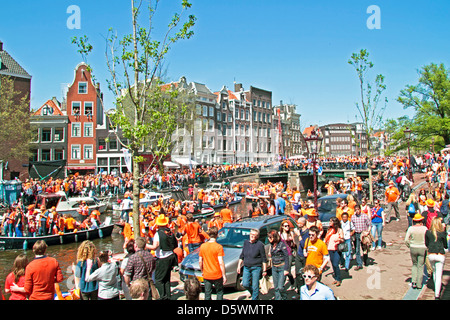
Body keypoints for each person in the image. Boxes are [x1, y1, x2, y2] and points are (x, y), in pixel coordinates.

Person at [146, 214, 178, 300]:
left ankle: (163, 297)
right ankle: (168, 296)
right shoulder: (170, 231)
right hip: (171, 256)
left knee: (158, 279)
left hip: (162, 258)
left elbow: (155, 246)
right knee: (167, 278)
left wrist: (145, 245)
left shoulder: (158, 234)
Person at [236, 228, 268, 300]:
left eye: (254, 235)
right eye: (251, 234)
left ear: (257, 236)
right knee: (245, 284)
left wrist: (264, 270)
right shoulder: (246, 243)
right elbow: (242, 255)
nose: (252, 236)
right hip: (246, 267)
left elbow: (264, 258)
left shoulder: (260, 245)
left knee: (255, 286)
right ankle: (254, 293)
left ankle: (255, 298)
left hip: (256, 268)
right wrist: (239, 266)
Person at [199, 226, 226, 300]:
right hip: (217, 274)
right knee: (219, 292)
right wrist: (224, 275)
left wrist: (202, 271)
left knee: (207, 293)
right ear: (217, 235)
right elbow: (221, 262)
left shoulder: (203, 246)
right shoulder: (219, 247)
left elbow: (200, 261)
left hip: (207, 273)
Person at [425, 217, 448, 299]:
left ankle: (436, 288)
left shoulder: (428, 232)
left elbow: (426, 244)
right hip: (440, 255)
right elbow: (445, 245)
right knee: (438, 274)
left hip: (431, 254)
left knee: (434, 272)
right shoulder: (442, 233)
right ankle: (437, 294)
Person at [404, 214, 428, 290]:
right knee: (420, 265)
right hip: (422, 247)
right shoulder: (424, 228)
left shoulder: (411, 228)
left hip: (413, 247)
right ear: (421, 221)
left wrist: (409, 245)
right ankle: (419, 283)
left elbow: (406, 240)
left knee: (414, 264)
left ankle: (413, 281)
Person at [268, 229, 290, 300]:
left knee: (280, 287)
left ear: (274, 237)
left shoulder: (281, 244)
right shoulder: (271, 245)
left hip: (281, 267)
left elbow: (286, 256)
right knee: (276, 287)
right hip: (274, 267)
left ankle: (284, 297)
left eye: (270, 237)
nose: (268, 239)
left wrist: (286, 269)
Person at [324, 217, 344, 286]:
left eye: (331, 221)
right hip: (330, 248)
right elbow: (326, 239)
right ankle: (336, 277)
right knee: (333, 264)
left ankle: (338, 279)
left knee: (336, 264)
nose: (329, 223)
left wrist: (339, 240)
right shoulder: (329, 230)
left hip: (336, 249)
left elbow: (342, 239)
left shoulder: (339, 230)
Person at [351, 204, 372, 270]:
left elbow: (369, 225)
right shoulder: (353, 217)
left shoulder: (365, 216)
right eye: (356, 210)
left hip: (363, 234)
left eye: (358, 209)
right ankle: (359, 264)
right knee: (357, 249)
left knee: (364, 248)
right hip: (357, 234)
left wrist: (368, 232)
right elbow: (352, 226)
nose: (357, 211)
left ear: (360, 209)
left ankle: (365, 260)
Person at [293, 217, 309, 293]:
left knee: (304, 273)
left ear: (302, 224)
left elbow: (303, 244)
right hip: (298, 254)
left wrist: (299, 235)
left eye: (298, 223)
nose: (297, 224)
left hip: (304, 256)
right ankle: (299, 290)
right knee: (297, 273)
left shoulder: (307, 233)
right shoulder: (299, 231)